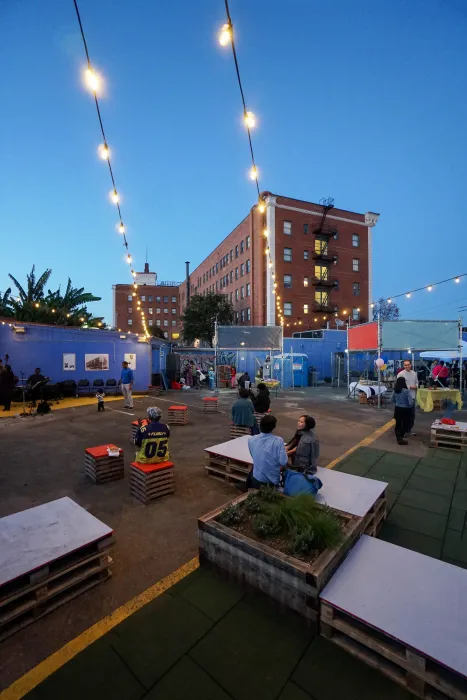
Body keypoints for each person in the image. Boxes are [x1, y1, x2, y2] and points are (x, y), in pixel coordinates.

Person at [247, 414, 287, 489]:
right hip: (271, 482)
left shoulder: (251, 440)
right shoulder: (278, 441)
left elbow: (254, 455)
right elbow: (283, 462)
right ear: (273, 427)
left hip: (256, 479)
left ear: (260, 425)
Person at [397, 359, 418, 435]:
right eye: (405, 365)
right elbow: (399, 386)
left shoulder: (414, 373)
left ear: (410, 365)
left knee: (412, 415)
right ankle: (402, 431)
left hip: (412, 397)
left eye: (408, 364)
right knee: (404, 416)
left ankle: (408, 430)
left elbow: (417, 383)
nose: (407, 366)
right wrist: (410, 387)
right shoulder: (400, 374)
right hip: (404, 398)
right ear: (403, 366)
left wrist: (416, 386)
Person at [392, 376, 414, 445]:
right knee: (406, 424)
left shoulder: (395, 390)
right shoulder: (406, 391)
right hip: (406, 410)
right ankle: (401, 437)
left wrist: (397, 402)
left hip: (397, 409)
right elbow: (410, 402)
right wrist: (411, 406)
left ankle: (398, 437)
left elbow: (391, 399)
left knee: (398, 424)